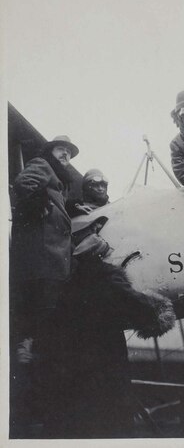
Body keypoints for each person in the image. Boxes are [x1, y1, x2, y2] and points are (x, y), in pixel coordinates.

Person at [56, 231, 176, 438]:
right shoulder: (108, 276)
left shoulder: (70, 283)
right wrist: (158, 312)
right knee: (114, 411)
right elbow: (134, 303)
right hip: (107, 353)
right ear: (101, 256)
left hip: (78, 358)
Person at [10, 135, 79, 437]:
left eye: (70, 152)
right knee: (42, 327)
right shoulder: (42, 164)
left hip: (51, 262)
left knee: (43, 328)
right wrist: (34, 201)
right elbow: (23, 186)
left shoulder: (58, 181)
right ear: (49, 151)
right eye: (62, 149)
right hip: (42, 261)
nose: (67, 155)